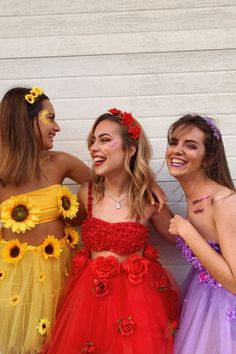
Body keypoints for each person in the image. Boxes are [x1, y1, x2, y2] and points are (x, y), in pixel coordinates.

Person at [43, 108, 179, 354]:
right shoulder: (88, 194)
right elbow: (56, 223)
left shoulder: (148, 200)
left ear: (131, 148)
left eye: (104, 140)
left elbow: (179, 237)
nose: (94, 147)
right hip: (89, 303)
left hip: (138, 304)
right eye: (92, 141)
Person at [0, 86, 92, 354]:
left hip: (60, 271)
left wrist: (146, 185)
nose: (57, 127)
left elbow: (110, 189)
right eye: (49, 118)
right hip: (12, 277)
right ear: (25, 121)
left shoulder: (59, 163)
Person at [166, 114, 236, 354]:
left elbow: (235, 282)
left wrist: (187, 231)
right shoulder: (193, 194)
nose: (177, 150)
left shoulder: (223, 201)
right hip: (201, 298)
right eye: (174, 142)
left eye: (191, 145)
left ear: (209, 158)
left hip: (226, 307)